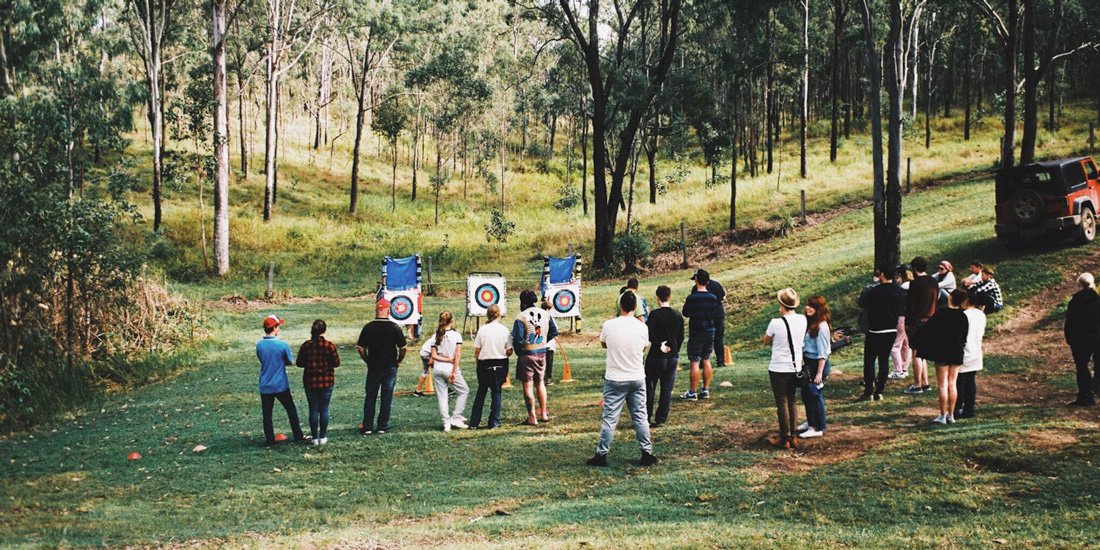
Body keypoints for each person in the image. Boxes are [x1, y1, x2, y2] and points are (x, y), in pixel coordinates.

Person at [587, 290, 658, 467]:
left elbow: (604, 343)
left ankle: (601, 454)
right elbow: (643, 348)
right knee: (640, 417)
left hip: (615, 378)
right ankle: (646, 452)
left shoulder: (609, 325)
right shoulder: (642, 327)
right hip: (636, 376)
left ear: (620, 306)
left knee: (610, 418)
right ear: (635, 307)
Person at [916, 289, 969, 424]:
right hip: (957, 352)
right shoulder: (963, 316)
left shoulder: (941, 314)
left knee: (943, 385)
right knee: (952, 383)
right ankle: (951, 415)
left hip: (943, 352)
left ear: (950, 298)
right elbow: (964, 336)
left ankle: (942, 415)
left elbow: (928, 330)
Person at [356, 298, 408, 434]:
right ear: (389, 310)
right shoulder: (394, 327)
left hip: (373, 366)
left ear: (376, 310)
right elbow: (403, 348)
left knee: (370, 396)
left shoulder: (368, 327)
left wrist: (367, 360)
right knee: (386, 396)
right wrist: (398, 360)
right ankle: (382, 426)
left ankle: (367, 426)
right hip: (390, 366)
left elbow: (360, 348)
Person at [764, 288, 807, 449]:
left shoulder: (776, 323)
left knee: (781, 401)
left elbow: (766, 341)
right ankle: (794, 434)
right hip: (795, 365)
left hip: (778, 366)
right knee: (792, 400)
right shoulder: (802, 319)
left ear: (781, 304)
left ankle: (785, 437)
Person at [255, 315, 306, 445]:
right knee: (290, 409)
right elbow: (289, 361)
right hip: (280, 384)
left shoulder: (259, 345)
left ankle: (270, 439)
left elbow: (261, 359)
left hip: (265, 384)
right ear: (275, 328)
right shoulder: (282, 344)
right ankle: (298, 435)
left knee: (267, 414)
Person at [512, 289, 559, 425]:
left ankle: (532, 417)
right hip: (541, 352)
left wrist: (519, 351)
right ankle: (543, 413)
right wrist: (544, 340)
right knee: (540, 383)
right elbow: (554, 331)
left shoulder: (521, 317)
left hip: (527, 354)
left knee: (527, 385)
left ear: (522, 302)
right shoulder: (545, 314)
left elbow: (518, 339)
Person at [858, 267, 904, 401]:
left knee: (870, 361)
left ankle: (868, 392)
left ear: (882, 275)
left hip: (875, 329)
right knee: (884, 360)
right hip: (891, 329)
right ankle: (880, 390)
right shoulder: (899, 291)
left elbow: (864, 304)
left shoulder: (875, 291)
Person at [645, 285, 684, 427]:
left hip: (656, 355)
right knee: (666, 388)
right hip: (672, 356)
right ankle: (661, 417)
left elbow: (649, 333)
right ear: (670, 297)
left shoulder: (655, 314)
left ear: (657, 298)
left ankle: (647, 415)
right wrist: (674, 350)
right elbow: (681, 337)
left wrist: (658, 344)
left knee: (650, 386)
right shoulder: (677, 315)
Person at [296, 319, 340, 445]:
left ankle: (314, 437)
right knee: (324, 409)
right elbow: (336, 363)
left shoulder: (306, 345)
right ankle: (323, 436)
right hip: (326, 381)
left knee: (313, 409)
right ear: (324, 331)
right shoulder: (329, 345)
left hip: (310, 381)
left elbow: (299, 363)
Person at [681, 269, 723, 401]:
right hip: (710, 331)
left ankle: (692, 392)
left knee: (694, 360)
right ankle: (705, 390)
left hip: (696, 332)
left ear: (696, 280)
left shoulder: (692, 298)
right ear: (708, 282)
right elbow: (717, 314)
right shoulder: (713, 298)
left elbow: (685, 313)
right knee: (706, 359)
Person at [469, 304, 513, 429]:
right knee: (496, 392)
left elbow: (477, 350)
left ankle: (474, 422)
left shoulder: (482, 330)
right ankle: (494, 422)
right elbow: (509, 351)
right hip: (500, 363)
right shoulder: (504, 330)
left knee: (481, 392)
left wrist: (478, 364)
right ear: (499, 314)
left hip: (484, 364)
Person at [1064, 272, 1100, 406]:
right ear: (1093, 284)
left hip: (1080, 340)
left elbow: (1070, 323)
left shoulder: (1074, 302)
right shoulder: (1098, 301)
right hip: (1097, 338)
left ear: (1079, 285)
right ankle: (1097, 388)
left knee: (1082, 366)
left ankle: (1086, 397)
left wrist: (1070, 339)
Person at [904, 257, 939, 394]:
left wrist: (907, 323)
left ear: (914, 268)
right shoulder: (933, 281)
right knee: (922, 352)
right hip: (931, 319)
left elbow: (911, 306)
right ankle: (925, 383)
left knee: (916, 353)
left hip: (917, 321)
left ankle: (917, 384)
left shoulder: (915, 283)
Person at [431, 311, 469, 431]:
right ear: (451, 321)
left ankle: (446, 422)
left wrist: (445, 359)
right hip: (450, 369)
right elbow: (457, 356)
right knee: (464, 391)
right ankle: (456, 417)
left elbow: (433, 356)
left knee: (442, 396)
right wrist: (453, 371)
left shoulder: (435, 335)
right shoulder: (456, 335)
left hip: (438, 369)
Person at [799, 295, 831, 438]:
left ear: (819, 309)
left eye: (812, 306)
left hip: (817, 364)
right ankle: (811, 421)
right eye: (807, 305)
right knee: (806, 394)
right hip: (808, 363)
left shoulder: (822, 327)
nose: (808, 308)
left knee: (815, 395)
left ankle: (818, 427)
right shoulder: (810, 324)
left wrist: (819, 373)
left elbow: (823, 353)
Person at [956, 290, 987, 419]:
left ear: (966, 301)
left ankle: (957, 408)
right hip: (976, 350)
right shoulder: (981, 314)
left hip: (965, 351)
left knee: (960, 382)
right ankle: (969, 409)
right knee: (970, 381)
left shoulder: (963, 315)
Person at [691, 272, 728, 366]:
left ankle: (702, 362)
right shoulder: (716, 285)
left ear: (697, 279)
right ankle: (721, 361)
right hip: (718, 316)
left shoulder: (696, 288)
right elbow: (723, 297)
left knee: (703, 340)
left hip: (704, 318)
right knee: (718, 339)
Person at [888, 266, 913, 380]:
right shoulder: (913, 286)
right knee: (906, 345)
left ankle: (898, 370)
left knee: (895, 345)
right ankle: (904, 368)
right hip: (909, 317)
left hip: (901, 317)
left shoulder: (902, 289)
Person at [541, 297, 557, 385]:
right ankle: (548, 379)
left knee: (544, 362)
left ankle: (545, 378)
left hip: (544, 344)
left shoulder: (545, 316)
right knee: (548, 363)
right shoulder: (547, 316)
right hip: (548, 344)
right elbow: (555, 331)